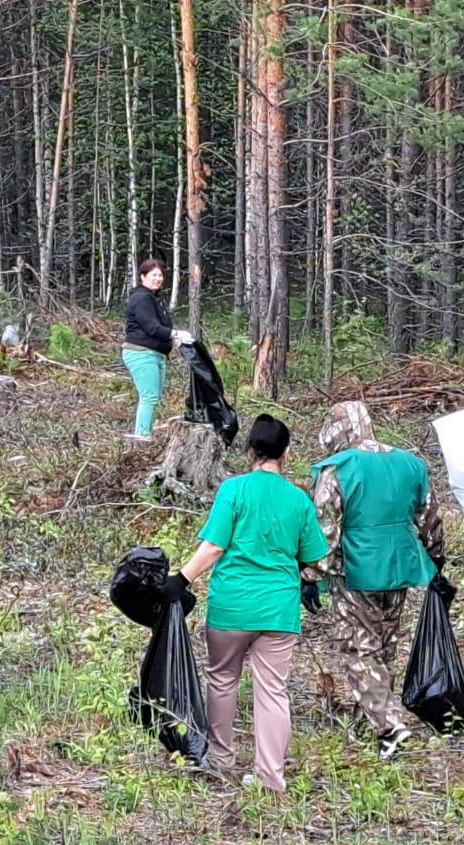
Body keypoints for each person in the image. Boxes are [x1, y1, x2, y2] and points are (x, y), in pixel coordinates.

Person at [164, 415, 329, 794]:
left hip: (232, 606)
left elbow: (214, 547)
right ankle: (271, 777)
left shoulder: (233, 490)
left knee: (222, 680)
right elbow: (315, 557)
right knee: (272, 691)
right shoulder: (298, 499)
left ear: (250, 451)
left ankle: (221, 759)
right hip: (279, 610)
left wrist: (181, 579)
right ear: (287, 452)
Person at [307, 401, 446, 759]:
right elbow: (429, 515)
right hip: (401, 564)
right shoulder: (410, 464)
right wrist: (435, 554)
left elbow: (325, 530)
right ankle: (370, 713)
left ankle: (390, 726)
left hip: (358, 568)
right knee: (383, 641)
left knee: (358, 647)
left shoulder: (337, 470)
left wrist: (310, 575)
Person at [122, 258, 192, 440]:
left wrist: (173, 339)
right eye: (153, 275)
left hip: (156, 354)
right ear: (142, 277)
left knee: (154, 398)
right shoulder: (142, 298)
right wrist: (175, 334)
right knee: (149, 397)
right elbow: (151, 327)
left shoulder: (154, 299)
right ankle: (142, 438)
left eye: (160, 275)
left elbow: (161, 327)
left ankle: (146, 433)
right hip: (141, 352)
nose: (158, 279)